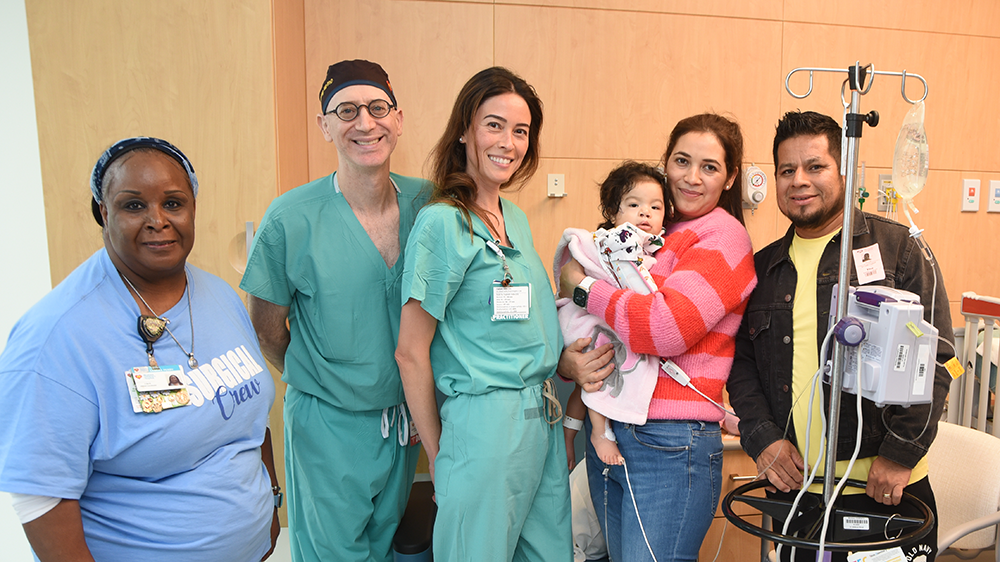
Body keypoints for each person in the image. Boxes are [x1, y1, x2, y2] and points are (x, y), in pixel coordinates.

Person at [0, 137, 280, 561]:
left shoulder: (220, 297)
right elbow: (41, 498)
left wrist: (270, 505)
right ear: (103, 211)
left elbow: (251, 418)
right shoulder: (56, 338)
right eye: (134, 206)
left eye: (173, 203)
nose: (158, 220)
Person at [727, 110, 954, 562]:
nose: (799, 181)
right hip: (799, 492)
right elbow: (741, 364)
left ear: (844, 171)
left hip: (887, 488)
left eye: (815, 166)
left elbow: (940, 360)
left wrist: (899, 456)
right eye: (787, 170)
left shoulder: (899, 251)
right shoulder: (763, 270)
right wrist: (762, 438)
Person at [240, 60, 425, 562]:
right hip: (328, 425)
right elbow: (266, 331)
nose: (365, 123)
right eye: (345, 110)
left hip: (404, 421)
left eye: (377, 108)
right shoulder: (291, 218)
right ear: (324, 125)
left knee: (385, 546)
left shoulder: (428, 206)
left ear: (398, 119)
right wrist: (330, 382)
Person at [559, 113, 757, 561]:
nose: (691, 177)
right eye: (682, 161)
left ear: (730, 179)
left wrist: (583, 288)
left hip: (670, 440)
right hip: (614, 423)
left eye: (709, 167)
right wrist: (570, 358)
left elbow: (664, 329)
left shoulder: (723, 236)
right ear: (665, 164)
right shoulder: (654, 235)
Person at [395, 66, 571, 561]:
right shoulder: (442, 223)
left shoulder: (514, 217)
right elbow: (410, 352)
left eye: (521, 131)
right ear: (464, 131)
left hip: (543, 416)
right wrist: (439, 456)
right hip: (483, 425)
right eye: (494, 125)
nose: (509, 142)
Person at [555, 161, 671, 467]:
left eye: (655, 207)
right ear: (613, 212)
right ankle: (600, 431)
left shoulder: (654, 248)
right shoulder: (610, 243)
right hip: (586, 319)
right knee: (599, 372)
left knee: (587, 385)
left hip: (609, 319)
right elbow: (582, 268)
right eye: (634, 204)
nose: (645, 213)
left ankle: (569, 435)